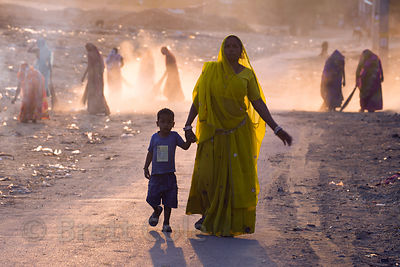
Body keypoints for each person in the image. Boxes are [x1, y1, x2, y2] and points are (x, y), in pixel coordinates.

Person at [183, 35, 292, 237]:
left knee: (235, 178)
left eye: (235, 47)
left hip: (238, 134)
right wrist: (187, 124)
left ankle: (229, 220)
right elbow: (198, 100)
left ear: (241, 51)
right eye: (228, 46)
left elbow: (258, 103)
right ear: (222, 49)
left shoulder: (247, 75)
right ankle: (208, 214)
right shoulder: (210, 71)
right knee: (208, 175)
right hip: (212, 133)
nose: (231, 50)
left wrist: (276, 128)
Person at [144, 108, 192, 233]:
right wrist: (145, 167)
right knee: (151, 198)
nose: (166, 125)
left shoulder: (174, 136)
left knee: (168, 200)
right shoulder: (154, 137)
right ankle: (156, 210)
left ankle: (166, 223)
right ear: (157, 123)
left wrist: (189, 139)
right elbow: (150, 152)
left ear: (173, 124)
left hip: (169, 175)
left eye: (169, 122)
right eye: (163, 122)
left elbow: (185, 147)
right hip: (156, 175)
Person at [81, 43, 110, 115]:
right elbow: (102, 67)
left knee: (91, 92)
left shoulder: (90, 54)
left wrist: (84, 76)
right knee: (99, 92)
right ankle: (103, 109)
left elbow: (89, 66)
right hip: (99, 77)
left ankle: (92, 109)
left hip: (93, 76)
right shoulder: (98, 55)